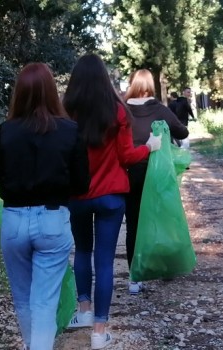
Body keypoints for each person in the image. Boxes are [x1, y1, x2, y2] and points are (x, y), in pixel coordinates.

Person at [62, 54, 161, 349]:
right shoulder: (117, 111)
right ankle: (99, 332)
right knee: (104, 262)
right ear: (105, 78)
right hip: (111, 197)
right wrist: (149, 148)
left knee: (82, 251)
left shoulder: (66, 112)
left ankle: (83, 311)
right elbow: (126, 157)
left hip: (77, 196)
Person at [0, 63, 91, 350]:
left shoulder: (6, 131)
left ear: (19, 94)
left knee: (23, 299)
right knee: (44, 301)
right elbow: (82, 183)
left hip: (14, 220)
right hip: (52, 218)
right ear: (51, 92)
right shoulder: (70, 130)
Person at [123, 69, 189, 294]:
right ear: (151, 86)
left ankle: (134, 277)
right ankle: (166, 267)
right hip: (157, 174)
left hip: (129, 173)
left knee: (132, 223)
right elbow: (182, 133)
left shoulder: (122, 110)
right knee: (162, 218)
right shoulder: (160, 110)